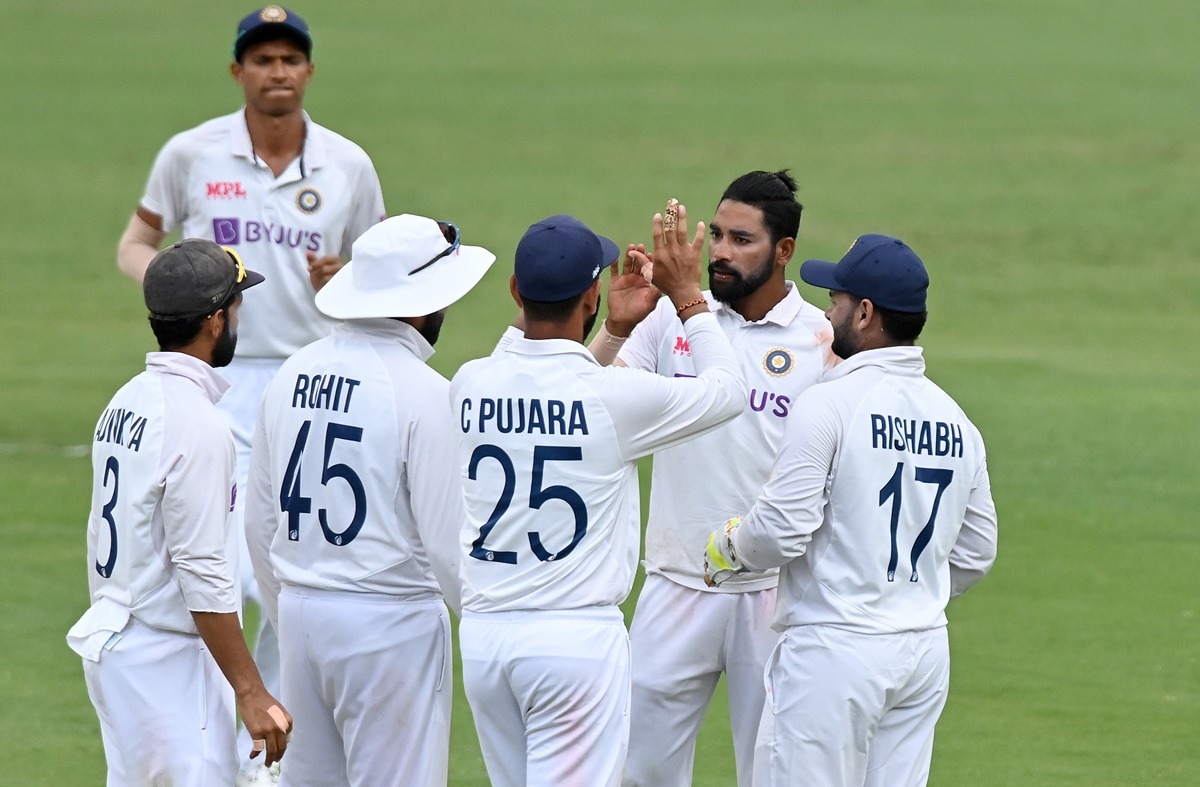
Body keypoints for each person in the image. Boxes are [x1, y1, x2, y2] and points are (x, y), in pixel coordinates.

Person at [114, 7, 385, 772]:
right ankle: (219, 733)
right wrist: (175, 288)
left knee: (287, 571)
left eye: (289, 59)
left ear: (308, 71)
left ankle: (261, 746)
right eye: (261, 59)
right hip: (218, 379)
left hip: (310, 384)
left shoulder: (348, 165)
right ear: (238, 71)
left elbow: (385, 272)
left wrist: (351, 278)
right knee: (220, 568)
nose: (276, 72)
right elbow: (135, 242)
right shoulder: (191, 153)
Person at [451, 209, 747, 787]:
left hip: (486, 641)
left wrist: (612, 332)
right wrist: (688, 298)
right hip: (575, 643)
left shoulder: (470, 382)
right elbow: (729, 392)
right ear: (592, 292)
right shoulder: (615, 397)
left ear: (516, 290)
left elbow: (540, 379)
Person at [703, 234, 999, 786]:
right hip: (922, 651)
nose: (826, 313)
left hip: (833, 653)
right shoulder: (959, 421)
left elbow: (781, 529)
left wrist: (731, 548)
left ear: (865, 314)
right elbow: (977, 552)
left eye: (836, 300)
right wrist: (904, 594)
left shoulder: (829, 403)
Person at [594, 171, 834, 787]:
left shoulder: (821, 340)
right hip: (675, 583)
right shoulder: (668, 319)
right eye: (718, 235)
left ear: (784, 252)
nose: (721, 252)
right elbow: (587, 400)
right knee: (636, 769)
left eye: (742, 240)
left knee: (773, 771)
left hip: (776, 593)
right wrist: (617, 325)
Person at [243, 215, 494, 786]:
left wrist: (290, 620)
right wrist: (486, 638)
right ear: (421, 305)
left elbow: (260, 523)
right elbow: (449, 545)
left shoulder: (292, 373)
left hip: (301, 612)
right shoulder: (428, 393)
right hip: (391, 625)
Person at [67, 239, 291, 786]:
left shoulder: (126, 400)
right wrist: (251, 689)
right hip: (167, 665)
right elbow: (201, 572)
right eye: (236, 305)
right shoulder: (198, 426)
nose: (240, 316)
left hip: (118, 646)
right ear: (215, 320)